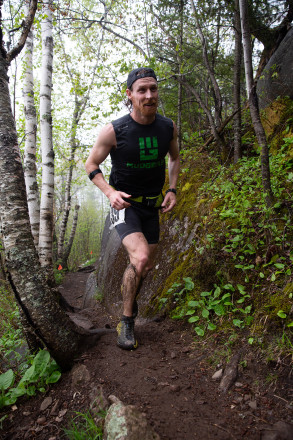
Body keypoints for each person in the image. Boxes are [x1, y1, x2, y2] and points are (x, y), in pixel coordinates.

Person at [85, 67, 180, 350]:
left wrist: (173, 189)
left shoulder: (168, 127)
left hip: (153, 206)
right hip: (124, 205)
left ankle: (130, 298)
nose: (149, 95)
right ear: (130, 95)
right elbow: (91, 165)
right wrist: (109, 192)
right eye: (142, 90)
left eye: (153, 89)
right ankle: (126, 321)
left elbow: (174, 158)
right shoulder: (114, 130)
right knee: (140, 259)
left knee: (146, 264)